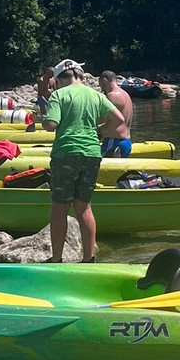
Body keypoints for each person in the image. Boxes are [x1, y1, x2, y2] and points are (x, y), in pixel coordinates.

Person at [42, 59, 124, 263]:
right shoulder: (96, 95)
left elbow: (51, 124)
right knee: (84, 207)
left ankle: (57, 258)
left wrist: (45, 114)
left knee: (60, 207)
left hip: (66, 153)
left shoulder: (59, 95)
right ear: (81, 75)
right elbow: (119, 119)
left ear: (59, 80)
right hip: (92, 154)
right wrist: (99, 131)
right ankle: (88, 259)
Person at [98, 70, 134, 157]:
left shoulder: (112, 96)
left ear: (104, 81)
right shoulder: (125, 94)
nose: (101, 89)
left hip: (113, 142)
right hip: (126, 141)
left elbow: (102, 119)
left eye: (101, 85)